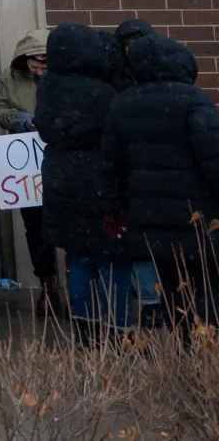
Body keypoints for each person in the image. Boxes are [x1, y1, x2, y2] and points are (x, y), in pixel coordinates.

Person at [102, 32, 219, 316]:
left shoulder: (121, 104)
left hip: (148, 216)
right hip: (196, 215)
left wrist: (117, 207)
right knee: (207, 288)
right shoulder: (194, 100)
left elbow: (110, 165)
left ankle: (182, 348)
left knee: (171, 287)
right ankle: (205, 348)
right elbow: (213, 158)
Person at [37, 24, 134, 326]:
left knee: (80, 258)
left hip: (60, 180)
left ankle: (84, 324)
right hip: (98, 180)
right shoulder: (103, 91)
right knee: (111, 258)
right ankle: (119, 327)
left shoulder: (49, 85)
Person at [0, 27, 56, 304]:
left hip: (60, 158)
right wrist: (22, 119)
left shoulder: (64, 75)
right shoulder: (9, 77)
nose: (40, 72)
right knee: (36, 227)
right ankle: (48, 284)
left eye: (44, 66)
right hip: (27, 163)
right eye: (35, 66)